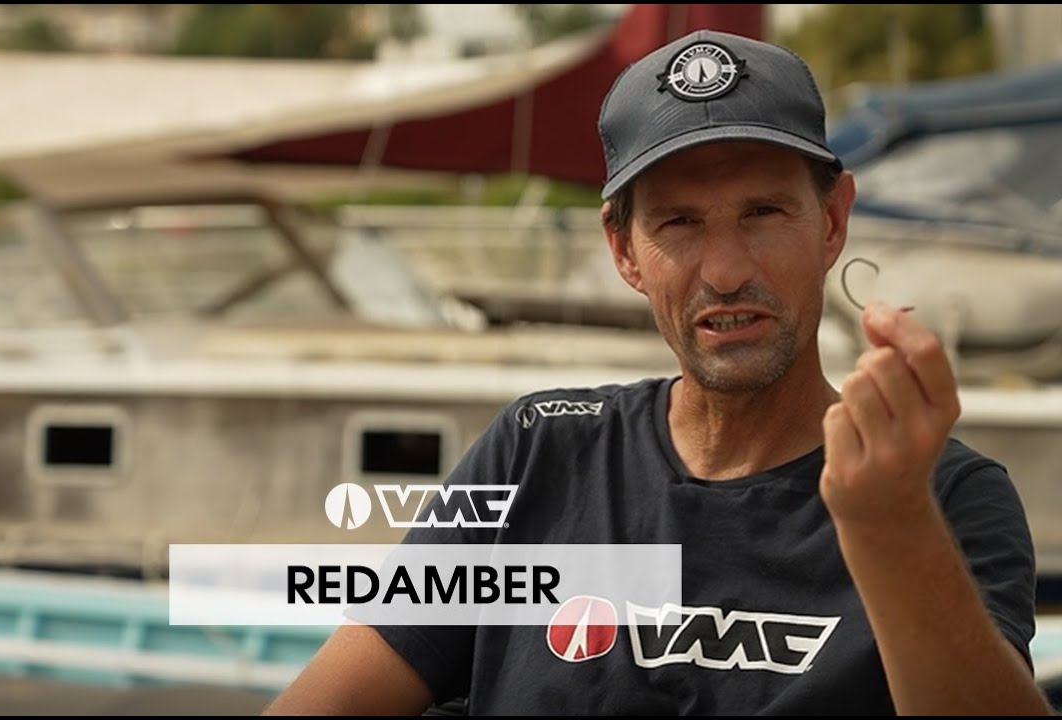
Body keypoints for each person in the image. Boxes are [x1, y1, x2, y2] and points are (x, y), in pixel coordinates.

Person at [264, 29, 1049, 715]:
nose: (726, 270)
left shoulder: (943, 497)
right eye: (679, 222)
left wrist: (891, 527)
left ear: (833, 220)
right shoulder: (535, 453)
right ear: (625, 251)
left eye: (763, 213)